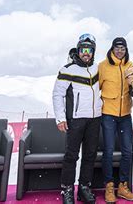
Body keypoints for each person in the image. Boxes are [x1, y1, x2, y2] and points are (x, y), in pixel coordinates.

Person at [52, 33, 101, 204]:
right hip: (75, 119)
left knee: (90, 155)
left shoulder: (97, 69)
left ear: (93, 52)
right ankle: (67, 189)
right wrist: (60, 118)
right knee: (71, 156)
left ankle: (84, 187)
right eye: (83, 49)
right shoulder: (68, 69)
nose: (86, 53)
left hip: (95, 119)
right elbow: (58, 94)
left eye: (89, 50)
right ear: (78, 50)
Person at [98, 37, 133, 202]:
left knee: (127, 151)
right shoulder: (103, 66)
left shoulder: (131, 66)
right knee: (108, 150)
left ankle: (122, 185)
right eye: (117, 47)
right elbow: (96, 88)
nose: (120, 51)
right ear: (112, 48)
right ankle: (108, 186)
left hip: (125, 115)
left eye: (123, 48)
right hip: (108, 114)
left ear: (126, 50)